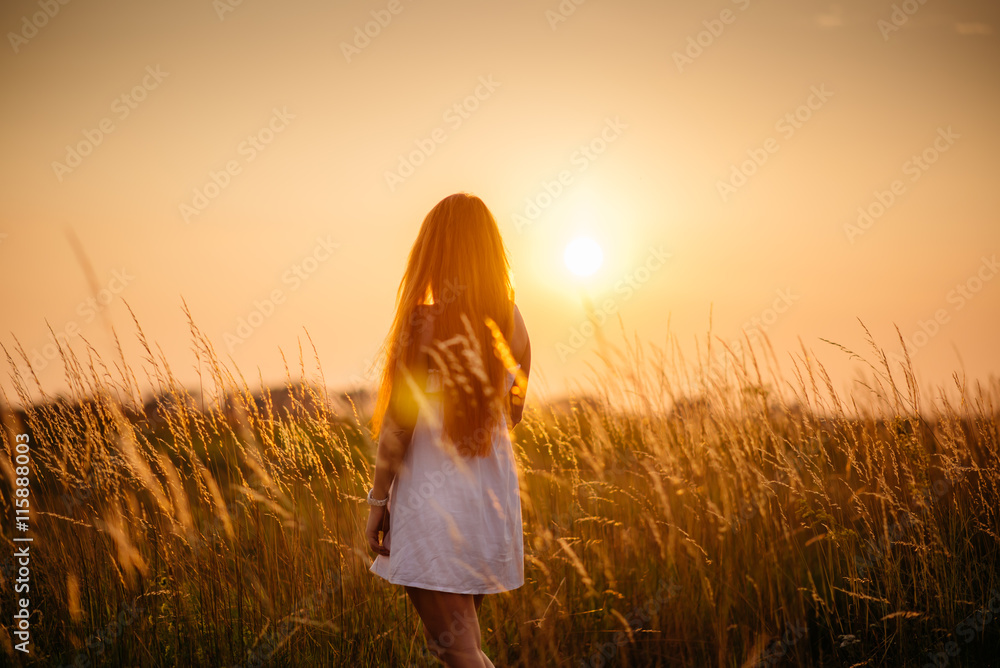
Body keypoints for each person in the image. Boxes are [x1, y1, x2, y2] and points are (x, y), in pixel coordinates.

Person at [365, 193, 531, 667]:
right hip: (487, 506)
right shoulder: (512, 321)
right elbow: (511, 415)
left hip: (431, 508)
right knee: (459, 648)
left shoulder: (421, 324)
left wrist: (377, 503)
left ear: (432, 253)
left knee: (458, 652)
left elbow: (398, 428)